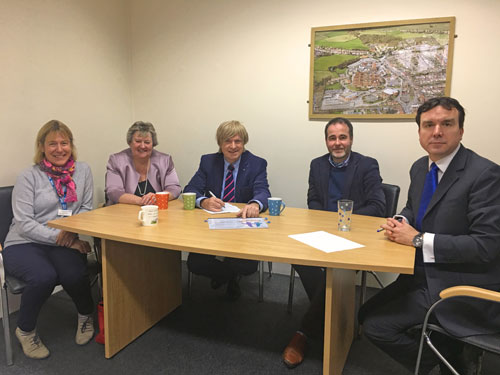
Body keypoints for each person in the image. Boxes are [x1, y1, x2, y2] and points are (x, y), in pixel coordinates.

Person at [359, 97, 500, 374]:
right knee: (363, 314)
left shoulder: (484, 174)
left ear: (460, 131)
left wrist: (417, 239)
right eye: (429, 125)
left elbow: (487, 246)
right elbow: (414, 207)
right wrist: (402, 220)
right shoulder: (420, 167)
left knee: (376, 327)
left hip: (460, 282)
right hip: (420, 272)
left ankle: (445, 360)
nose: (437, 131)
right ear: (420, 132)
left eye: (446, 124)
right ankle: (445, 349)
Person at [282, 117, 386, 368]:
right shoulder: (317, 165)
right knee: (298, 257)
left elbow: (378, 205)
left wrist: (344, 221)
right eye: (332, 137)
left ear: (350, 139)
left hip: (355, 237)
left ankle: (304, 333)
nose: (337, 143)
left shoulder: (367, 165)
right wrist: (325, 222)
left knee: (337, 269)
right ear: (326, 140)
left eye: (342, 137)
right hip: (322, 233)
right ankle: (334, 316)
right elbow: (313, 199)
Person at [2, 120, 95, 359]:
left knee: (74, 274)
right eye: (52, 143)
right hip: (24, 242)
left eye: (64, 142)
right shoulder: (28, 176)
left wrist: (71, 233)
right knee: (43, 277)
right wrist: (65, 239)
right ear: (41, 146)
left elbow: (85, 208)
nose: (59, 148)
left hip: (64, 237)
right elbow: (24, 222)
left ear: (71, 145)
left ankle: (86, 316)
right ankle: (25, 330)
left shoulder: (83, 171)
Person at [184, 120, 271, 300]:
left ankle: (228, 277)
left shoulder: (257, 163)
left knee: (247, 266)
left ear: (244, 143)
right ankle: (230, 277)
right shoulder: (208, 161)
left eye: (237, 141)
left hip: (241, 225)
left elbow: (263, 191)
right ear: (220, 144)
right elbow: (190, 189)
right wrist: (204, 201)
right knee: (195, 263)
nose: (233, 146)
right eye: (227, 141)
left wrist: (255, 204)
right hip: (211, 225)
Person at [105, 121, 181, 206]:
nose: (142, 146)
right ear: (130, 142)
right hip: (123, 213)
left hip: (156, 212)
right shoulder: (116, 161)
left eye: (147, 142)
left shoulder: (165, 161)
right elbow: (113, 191)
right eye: (138, 141)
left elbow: (174, 188)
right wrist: (142, 201)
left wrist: (157, 197)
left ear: (153, 144)